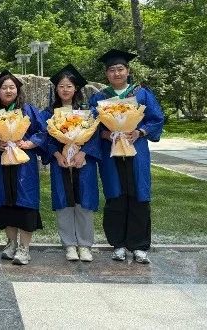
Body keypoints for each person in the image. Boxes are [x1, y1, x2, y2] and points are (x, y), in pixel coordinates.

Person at [89, 49, 164, 264]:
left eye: (120, 69)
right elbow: (90, 125)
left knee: (139, 194)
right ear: (107, 74)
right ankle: (118, 244)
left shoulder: (141, 93)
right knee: (115, 195)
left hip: (136, 150)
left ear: (128, 71)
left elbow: (156, 119)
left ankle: (139, 246)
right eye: (112, 70)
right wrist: (105, 134)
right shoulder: (100, 97)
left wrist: (139, 132)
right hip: (110, 152)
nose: (116, 73)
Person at [0, 70, 48, 265]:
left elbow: (43, 131)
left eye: (11, 87)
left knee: (25, 201)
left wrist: (30, 143)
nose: (8, 91)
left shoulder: (28, 110)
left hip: (24, 165)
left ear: (17, 90)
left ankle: (24, 248)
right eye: (4, 87)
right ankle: (11, 243)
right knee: (5, 201)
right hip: (1, 163)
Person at [42, 64, 101, 262]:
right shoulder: (49, 113)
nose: (65, 90)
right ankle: (69, 244)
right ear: (56, 89)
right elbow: (47, 138)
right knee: (63, 202)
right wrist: (57, 156)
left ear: (76, 89)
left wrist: (83, 153)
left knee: (84, 201)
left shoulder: (87, 112)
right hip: (60, 163)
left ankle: (84, 245)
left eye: (69, 86)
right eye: (61, 86)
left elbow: (94, 136)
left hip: (83, 163)